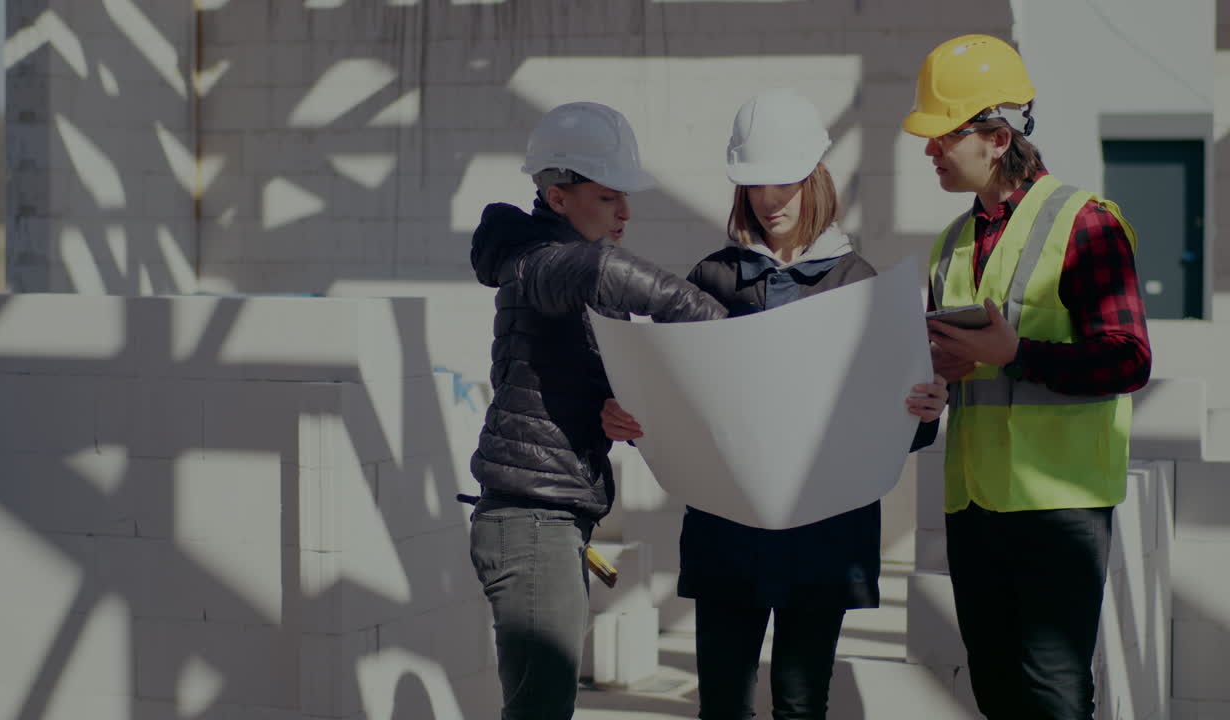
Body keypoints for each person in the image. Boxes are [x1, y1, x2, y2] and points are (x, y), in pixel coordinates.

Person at [602, 88, 947, 720]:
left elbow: (898, 431)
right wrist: (628, 415)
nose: (768, 200)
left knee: (799, 702)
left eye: (783, 183)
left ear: (815, 178)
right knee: (725, 703)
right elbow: (674, 399)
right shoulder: (712, 278)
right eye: (754, 185)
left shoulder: (858, 284)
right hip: (728, 531)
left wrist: (923, 412)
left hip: (824, 534)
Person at [902, 34, 1152, 719]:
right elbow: (961, 369)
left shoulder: (1087, 224)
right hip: (975, 503)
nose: (928, 149)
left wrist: (1017, 354)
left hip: (1059, 503)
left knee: (1052, 690)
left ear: (993, 133)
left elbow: (1129, 358)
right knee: (996, 690)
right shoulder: (950, 241)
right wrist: (933, 382)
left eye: (940, 134)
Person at [466, 101, 727, 720]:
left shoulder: (542, 265)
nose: (626, 214)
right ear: (558, 198)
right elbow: (606, 271)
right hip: (532, 524)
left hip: (547, 520)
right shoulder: (545, 263)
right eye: (610, 198)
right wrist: (728, 331)